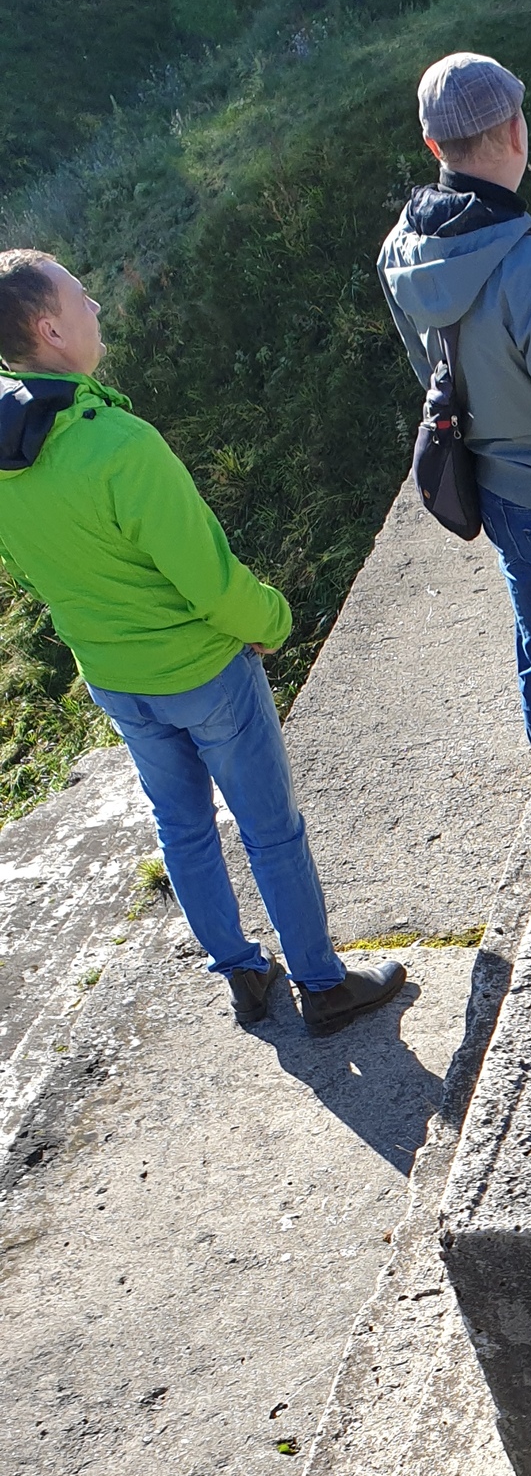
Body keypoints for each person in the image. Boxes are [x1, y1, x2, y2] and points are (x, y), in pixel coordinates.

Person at [0, 251, 404, 1038]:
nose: (95, 305)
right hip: (203, 672)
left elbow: (28, 566)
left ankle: (243, 976)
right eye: (80, 297)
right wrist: (273, 622)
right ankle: (323, 984)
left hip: (114, 675)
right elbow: (209, 580)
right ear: (50, 328)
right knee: (270, 828)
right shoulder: (118, 444)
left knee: (180, 825)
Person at [378, 52, 531, 808]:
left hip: (491, 491)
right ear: (517, 131)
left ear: (434, 148)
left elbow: (431, 368)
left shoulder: (402, 251)